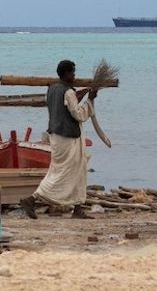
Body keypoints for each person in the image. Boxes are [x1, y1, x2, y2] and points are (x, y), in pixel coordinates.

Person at [19, 59, 98, 219]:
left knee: (75, 170)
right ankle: (32, 199)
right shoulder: (68, 93)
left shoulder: (52, 89)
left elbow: (63, 107)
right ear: (66, 73)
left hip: (56, 136)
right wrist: (90, 100)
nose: (74, 76)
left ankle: (77, 208)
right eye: (73, 72)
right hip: (68, 138)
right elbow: (79, 115)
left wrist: (80, 96)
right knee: (62, 172)